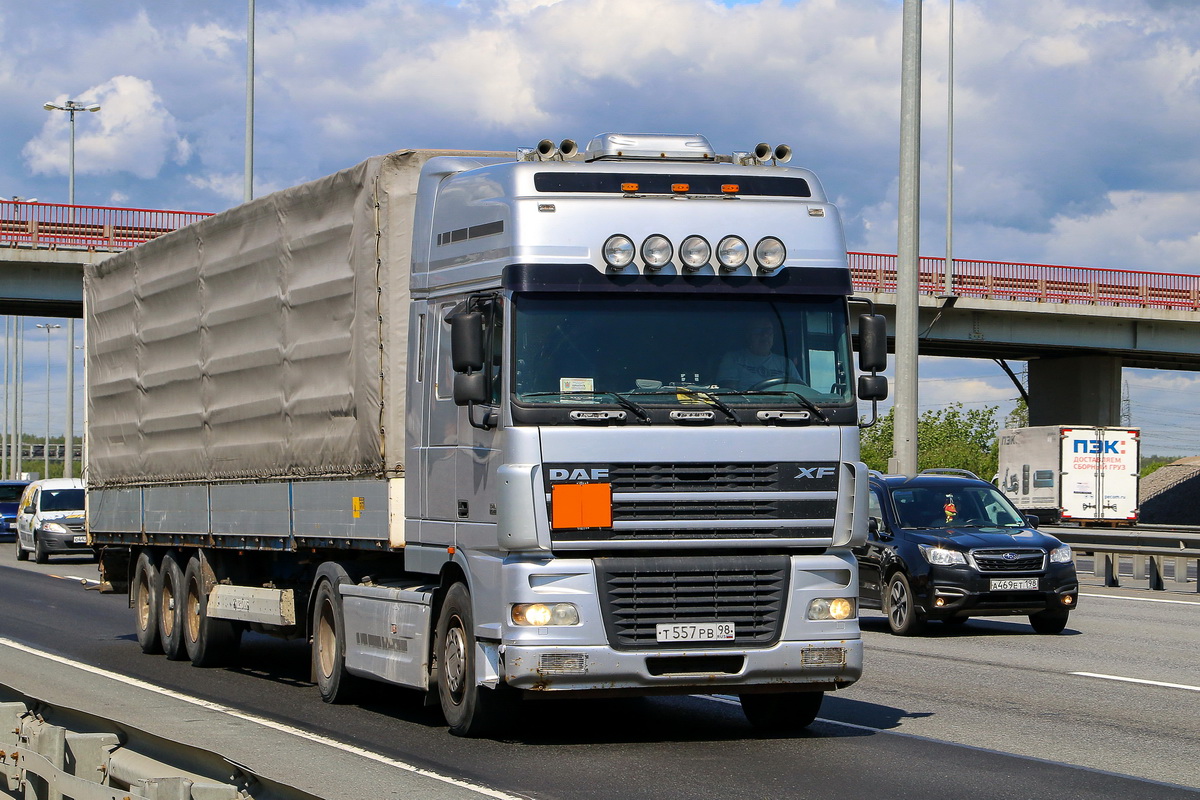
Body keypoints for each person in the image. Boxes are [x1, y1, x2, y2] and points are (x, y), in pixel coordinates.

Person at [716, 318, 801, 389]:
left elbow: (800, 390)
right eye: (758, 331)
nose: (764, 335)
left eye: (768, 331)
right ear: (748, 336)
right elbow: (729, 393)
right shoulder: (733, 359)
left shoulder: (786, 364)